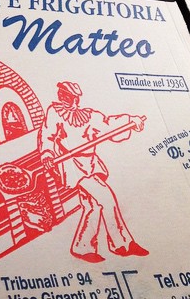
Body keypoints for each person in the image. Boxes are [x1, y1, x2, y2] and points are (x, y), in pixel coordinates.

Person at [37, 81, 148, 262]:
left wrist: (130, 121)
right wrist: (48, 155)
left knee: (93, 205)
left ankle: (82, 247)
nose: (74, 101)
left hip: (91, 163)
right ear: (62, 96)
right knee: (106, 198)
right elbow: (47, 135)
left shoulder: (88, 115)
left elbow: (108, 124)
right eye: (69, 97)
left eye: (75, 98)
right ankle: (122, 244)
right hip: (73, 165)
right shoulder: (54, 113)